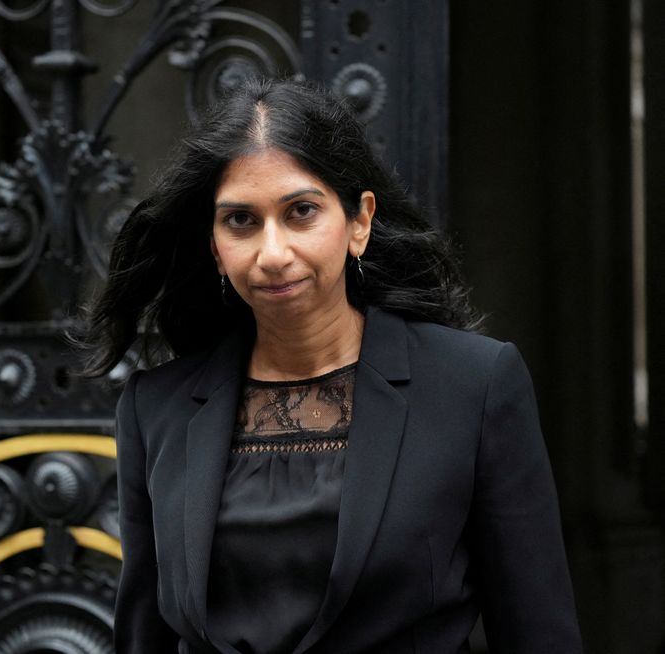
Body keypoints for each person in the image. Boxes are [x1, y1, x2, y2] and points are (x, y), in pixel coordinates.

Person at [78, 78, 583, 653]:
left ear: (359, 222)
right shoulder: (155, 409)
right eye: (241, 220)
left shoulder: (474, 386)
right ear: (215, 245)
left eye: (301, 212)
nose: (273, 254)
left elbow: (538, 632)